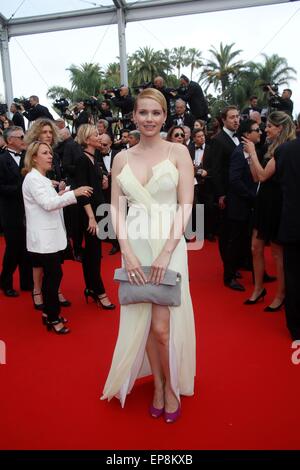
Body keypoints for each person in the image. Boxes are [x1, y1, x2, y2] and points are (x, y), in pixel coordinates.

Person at [101, 88, 196, 423]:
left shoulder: (178, 152)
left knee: (161, 328)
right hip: (135, 244)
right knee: (141, 319)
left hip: (168, 245)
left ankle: (171, 387)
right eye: (143, 113)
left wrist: (168, 251)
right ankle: (157, 385)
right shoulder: (122, 157)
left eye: (156, 113)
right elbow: (115, 208)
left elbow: (187, 206)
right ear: (134, 116)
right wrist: (125, 251)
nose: (150, 119)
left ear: (165, 116)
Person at [22, 141, 93, 333]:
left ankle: (48, 313)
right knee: (53, 276)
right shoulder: (33, 179)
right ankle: (53, 318)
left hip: (49, 236)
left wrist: (65, 192)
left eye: (50, 152)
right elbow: (47, 204)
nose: (50, 156)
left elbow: (49, 201)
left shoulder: (41, 179)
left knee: (53, 275)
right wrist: (74, 194)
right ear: (34, 157)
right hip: (44, 238)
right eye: (45, 153)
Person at [243, 111, 296, 309]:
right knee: (255, 247)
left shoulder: (283, 148)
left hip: (277, 203)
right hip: (263, 201)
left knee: (277, 253)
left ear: (280, 128)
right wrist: (250, 157)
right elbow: (256, 178)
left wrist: (253, 154)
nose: (266, 130)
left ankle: (281, 295)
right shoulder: (267, 147)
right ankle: (258, 288)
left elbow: (264, 175)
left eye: (270, 127)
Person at [75, 124, 115, 310]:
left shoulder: (95, 157)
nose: (100, 137)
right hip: (88, 214)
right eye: (96, 135)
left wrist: (104, 181)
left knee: (92, 253)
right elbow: (83, 192)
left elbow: (97, 187)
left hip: (97, 211)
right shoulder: (82, 159)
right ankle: (99, 291)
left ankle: (91, 288)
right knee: (94, 253)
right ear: (86, 139)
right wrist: (91, 218)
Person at [0, 127, 32, 296]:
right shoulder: (2, 160)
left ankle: (27, 283)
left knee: (27, 248)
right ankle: (5, 283)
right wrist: (20, 189)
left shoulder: (27, 158)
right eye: (20, 136)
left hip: (28, 210)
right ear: (10, 140)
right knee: (13, 249)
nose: (23, 138)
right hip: (11, 211)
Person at [275, 138, 300, 340]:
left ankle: (295, 327)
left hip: (292, 221)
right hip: (291, 222)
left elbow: (280, 182)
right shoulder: (284, 150)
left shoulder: (283, 150)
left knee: (293, 276)